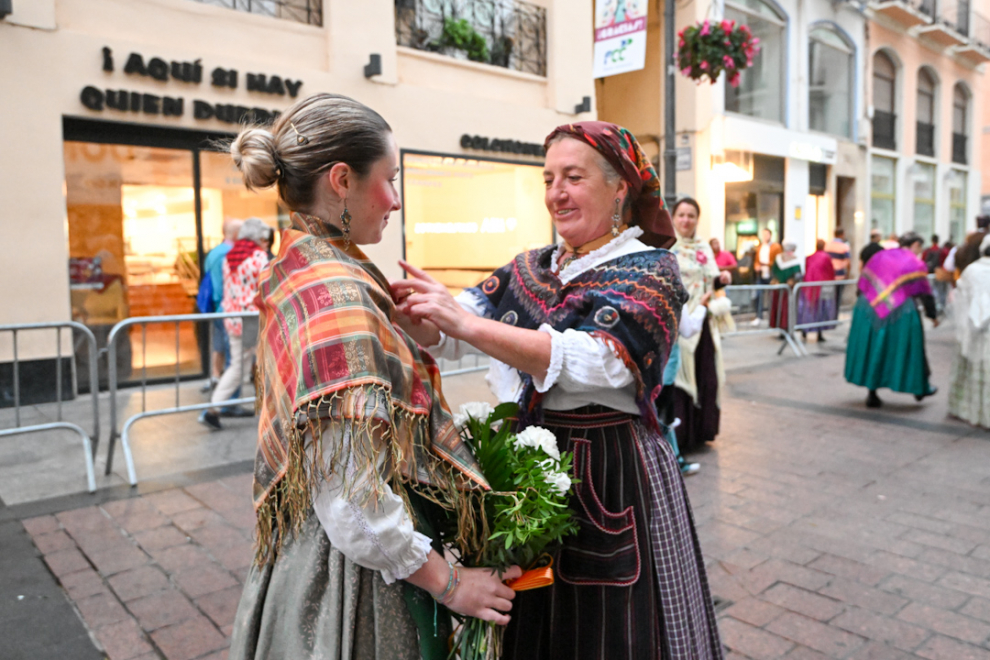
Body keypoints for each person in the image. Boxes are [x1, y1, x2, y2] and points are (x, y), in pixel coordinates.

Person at [397, 122, 723, 659]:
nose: (556, 193)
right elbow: (451, 334)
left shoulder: (651, 269)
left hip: (613, 471)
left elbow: (598, 362)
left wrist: (466, 325)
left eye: (573, 177)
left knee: (607, 626)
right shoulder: (531, 267)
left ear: (619, 187)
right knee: (534, 613)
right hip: (529, 461)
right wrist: (410, 313)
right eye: (549, 178)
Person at [224, 94, 520, 660]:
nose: (396, 199)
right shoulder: (339, 295)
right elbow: (352, 502)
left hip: (307, 551)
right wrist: (450, 584)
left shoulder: (300, 268)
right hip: (352, 583)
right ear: (341, 180)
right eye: (389, 178)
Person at [669, 198, 733, 455]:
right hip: (679, 322)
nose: (686, 220)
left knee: (705, 375)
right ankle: (682, 436)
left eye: (691, 215)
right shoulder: (667, 247)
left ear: (697, 219)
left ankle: (702, 431)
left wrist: (722, 280)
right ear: (673, 218)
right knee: (680, 376)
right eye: (681, 215)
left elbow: (711, 280)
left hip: (704, 322)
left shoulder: (704, 247)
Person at [845, 232, 938, 408]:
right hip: (900, 310)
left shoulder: (880, 256)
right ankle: (919, 388)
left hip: (868, 306)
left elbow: (864, 280)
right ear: (915, 245)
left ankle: (872, 393)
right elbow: (924, 292)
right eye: (919, 247)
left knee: (874, 348)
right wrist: (932, 315)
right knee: (910, 347)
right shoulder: (914, 262)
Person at [199, 218, 270, 430]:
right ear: (257, 237)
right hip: (252, 319)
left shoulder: (230, 256)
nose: (266, 242)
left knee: (242, 364)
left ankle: (215, 408)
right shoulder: (258, 257)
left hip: (232, 318)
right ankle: (213, 408)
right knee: (241, 366)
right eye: (264, 237)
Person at [949, 234, 990, 429]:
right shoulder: (974, 271)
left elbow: (961, 301)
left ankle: (969, 410)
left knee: (973, 370)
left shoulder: (971, 271)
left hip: (973, 331)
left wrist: (962, 331)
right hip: (982, 331)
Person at [200, 218, 242, 393]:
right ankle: (228, 399)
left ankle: (216, 378)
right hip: (229, 309)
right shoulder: (233, 253)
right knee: (234, 357)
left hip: (216, 308)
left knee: (219, 347)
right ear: (234, 234)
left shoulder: (213, 253)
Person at [797, 239, 837, 342]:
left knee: (810, 309)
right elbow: (830, 271)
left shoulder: (810, 257)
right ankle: (819, 332)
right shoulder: (825, 257)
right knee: (821, 310)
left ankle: (805, 331)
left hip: (810, 286)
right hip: (821, 287)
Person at [768, 241, 802, 331]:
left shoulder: (778, 258)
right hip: (787, 289)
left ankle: (780, 326)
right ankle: (785, 326)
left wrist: (776, 280)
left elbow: (773, 271)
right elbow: (798, 275)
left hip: (779, 287)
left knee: (779, 307)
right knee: (786, 308)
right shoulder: (795, 260)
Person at [752, 227, 782, 325]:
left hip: (771, 274)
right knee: (758, 295)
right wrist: (757, 266)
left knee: (772, 297)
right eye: (763, 234)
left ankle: (772, 318)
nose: (765, 236)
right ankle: (759, 316)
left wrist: (766, 264)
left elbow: (778, 261)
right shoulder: (760, 247)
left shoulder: (776, 247)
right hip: (761, 274)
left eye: (767, 234)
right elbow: (756, 261)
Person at [825, 227, 851, 311]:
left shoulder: (827, 245)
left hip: (829, 275)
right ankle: (834, 317)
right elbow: (848, 262)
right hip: (840, 276)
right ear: (842, 235)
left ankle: (829, 317)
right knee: (837, 298)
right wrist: (848, 273)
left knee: (828, 298)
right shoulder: (844, 246)